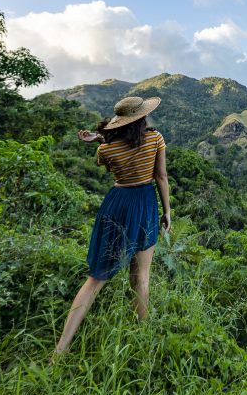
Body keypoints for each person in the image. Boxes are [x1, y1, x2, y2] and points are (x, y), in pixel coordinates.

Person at [53, 96, 172, 357]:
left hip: (115, 204)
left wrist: (100, 140)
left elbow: (114, 156)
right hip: (143, 204)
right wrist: (167, 211)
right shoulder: (155, 139)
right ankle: (141, 339)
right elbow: (160, 177)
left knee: (96, 278)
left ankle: (60, 349)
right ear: (142, 117)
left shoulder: (105, 150)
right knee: (140, 277)